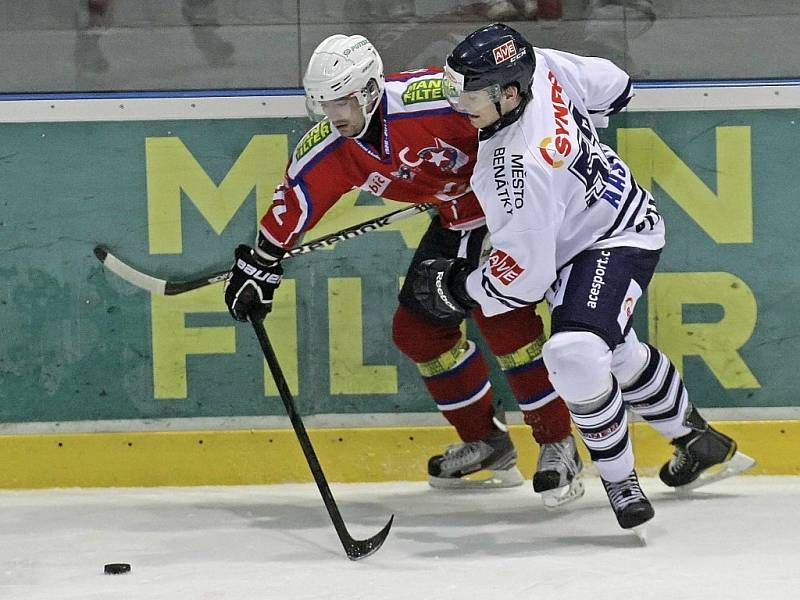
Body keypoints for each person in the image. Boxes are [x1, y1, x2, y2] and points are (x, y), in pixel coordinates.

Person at [412, 23, 755, 531]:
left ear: (509, 93)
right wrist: (572, 140)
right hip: (602, 222)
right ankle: (699, 441)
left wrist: (460, 287)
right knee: (610, 353)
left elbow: (523, 281)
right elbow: (616, 86)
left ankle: (620, 481)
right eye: (455, 88)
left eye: (471, 95)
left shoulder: (511, 167)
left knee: (572, 352)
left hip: (611, 238)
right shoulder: (542, 66)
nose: (459, 104)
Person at [222, 33, 584, 507]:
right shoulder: (334, 144)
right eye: (325, 105)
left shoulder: (435, 100)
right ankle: (488, 443)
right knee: (417, 333)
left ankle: (559, 442)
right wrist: (262, 261)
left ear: (372, 89)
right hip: (458, 220)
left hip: (514, 209)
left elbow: (526, 109)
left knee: (505, 321)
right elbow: (296, 197)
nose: (337, 116)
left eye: (346, 102)